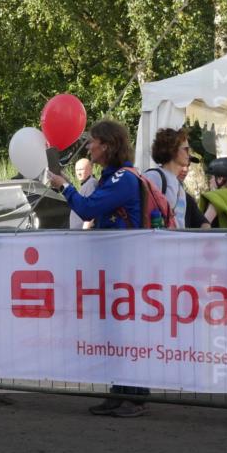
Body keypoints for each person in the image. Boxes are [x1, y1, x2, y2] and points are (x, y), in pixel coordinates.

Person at [47, 119, 148, 418]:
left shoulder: (123, 179)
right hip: (114, 268)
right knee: (114, 331)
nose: (89, 146)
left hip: (127, 268)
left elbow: (88, 208)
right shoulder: (112, 177)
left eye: (93, 141)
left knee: (127, 332)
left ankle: (136, 397)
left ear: (107, 145)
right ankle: (119, 392)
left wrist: (64, 185)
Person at [142, 128, 191, 228]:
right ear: (173, 150)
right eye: (186, 149)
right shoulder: (154, 177)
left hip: (174, 241)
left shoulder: (179, 185)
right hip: (157, 241)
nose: (188, 154)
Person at [68, 159, 97, 230]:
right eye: (77, 170)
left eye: (81, 169)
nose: (79, 173)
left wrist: (84, 232)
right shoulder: (86, 184)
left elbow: (91, 210)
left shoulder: (91, 183)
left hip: (82, 233)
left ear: (90, 170)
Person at [179, 163, 207, 229]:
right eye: (180, 164)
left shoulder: (187, 198)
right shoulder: (156, 185)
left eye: (188, 165)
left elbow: (205, 223)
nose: (185, 169)